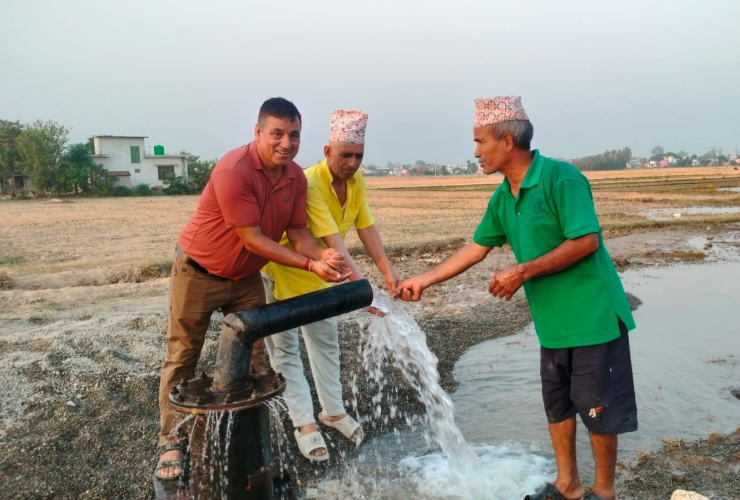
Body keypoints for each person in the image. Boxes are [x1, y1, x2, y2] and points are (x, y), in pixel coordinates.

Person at [396, 96, 637, 500]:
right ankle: (568, 484)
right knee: (558, 404)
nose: (476, 152)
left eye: (480, 142)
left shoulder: (562, 178)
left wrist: (522, 271)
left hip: (593, 314)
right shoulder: (503, 197)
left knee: (598, 408)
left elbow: (586, 241)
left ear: (507, 142)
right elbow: (474, 249)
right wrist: (423, 279)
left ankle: (605, 490)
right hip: (552, 321)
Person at [155, 97, 351, 481]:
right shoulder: (234, 170)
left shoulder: (294, 177)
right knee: (183, 356)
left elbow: (297, 234)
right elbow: (253, 238)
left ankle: (252, 441)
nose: (286, 143)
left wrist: (323, 255)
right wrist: (310, 264)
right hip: (199, 271)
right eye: (277, 133)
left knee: (257, 360)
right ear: (258, 132)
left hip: (245, 279)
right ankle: (170, 441)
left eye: (294, 135)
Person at [261, 109, 398, 461]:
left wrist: (387, 272)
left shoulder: (356, 182)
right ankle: (304, 423)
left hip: (324, 275)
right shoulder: (309, 183)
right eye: (345, 155)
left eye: (358, 156)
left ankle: (332, 411)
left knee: (325, 341)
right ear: (327, 151)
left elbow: (365, 227)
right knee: (286, 349)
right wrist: (363, 291)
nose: (352, 163)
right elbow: (331, 240)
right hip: (285, 270)